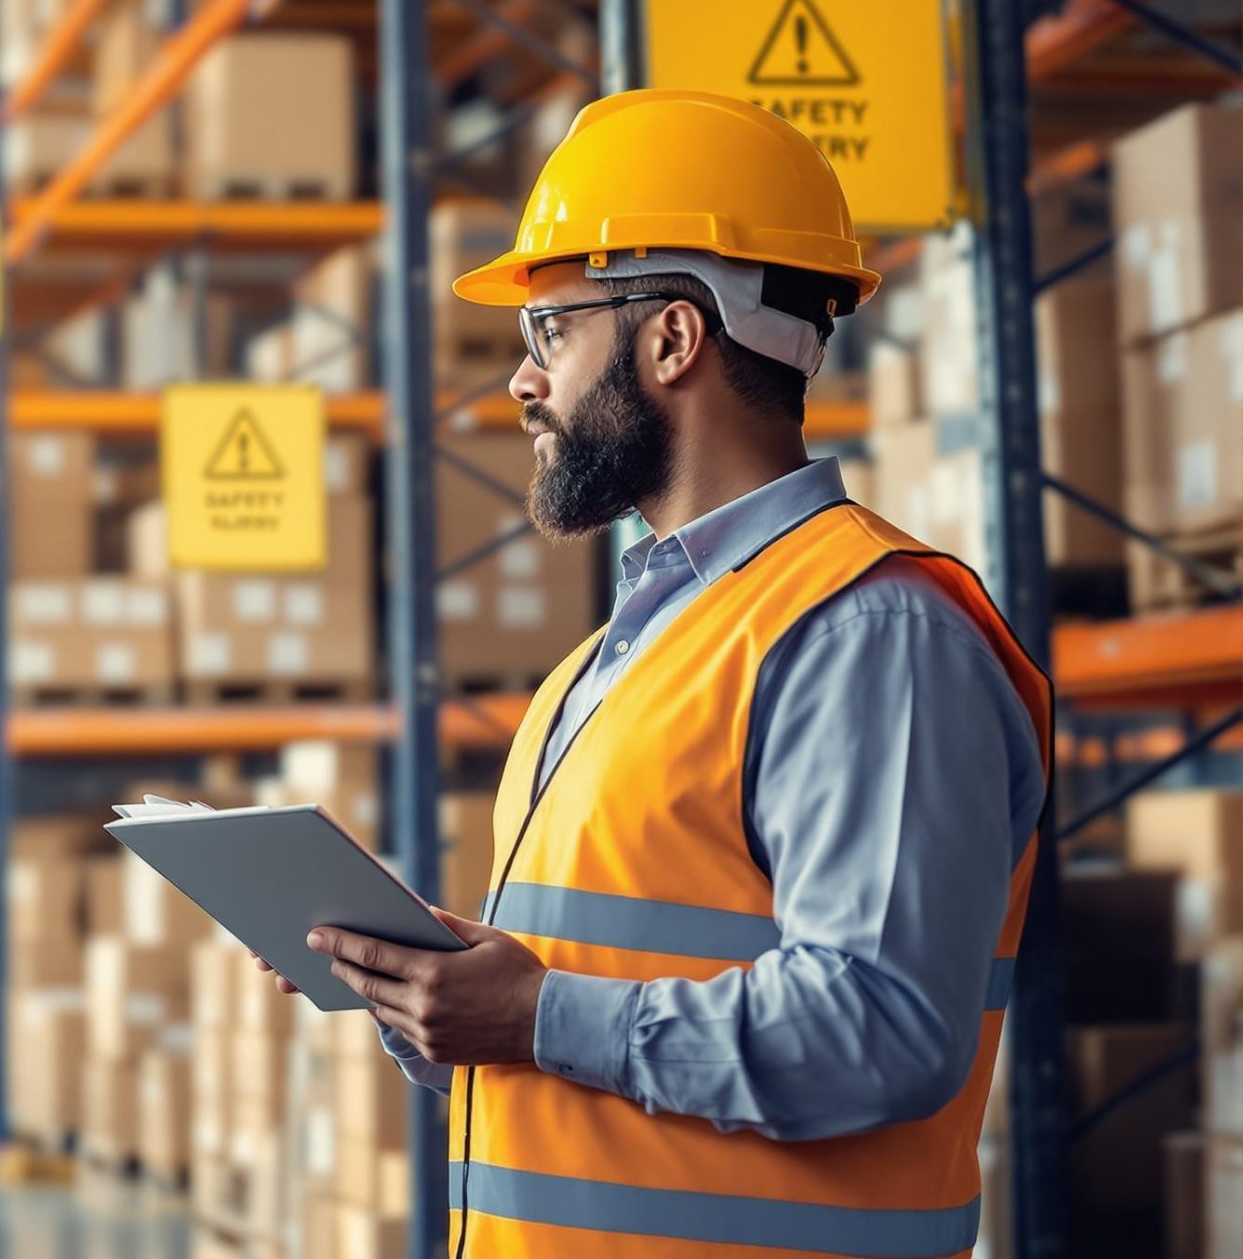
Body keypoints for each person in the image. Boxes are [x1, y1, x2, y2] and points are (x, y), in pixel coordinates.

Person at [258, 88, 1050, 1257]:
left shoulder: (868, 633)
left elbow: (882, 1030)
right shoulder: (619, 658)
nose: (521, 384)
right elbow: (605, 1027)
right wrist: (448, 1000)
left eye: (550, 334)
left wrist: (534, 1015)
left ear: (671, 338)